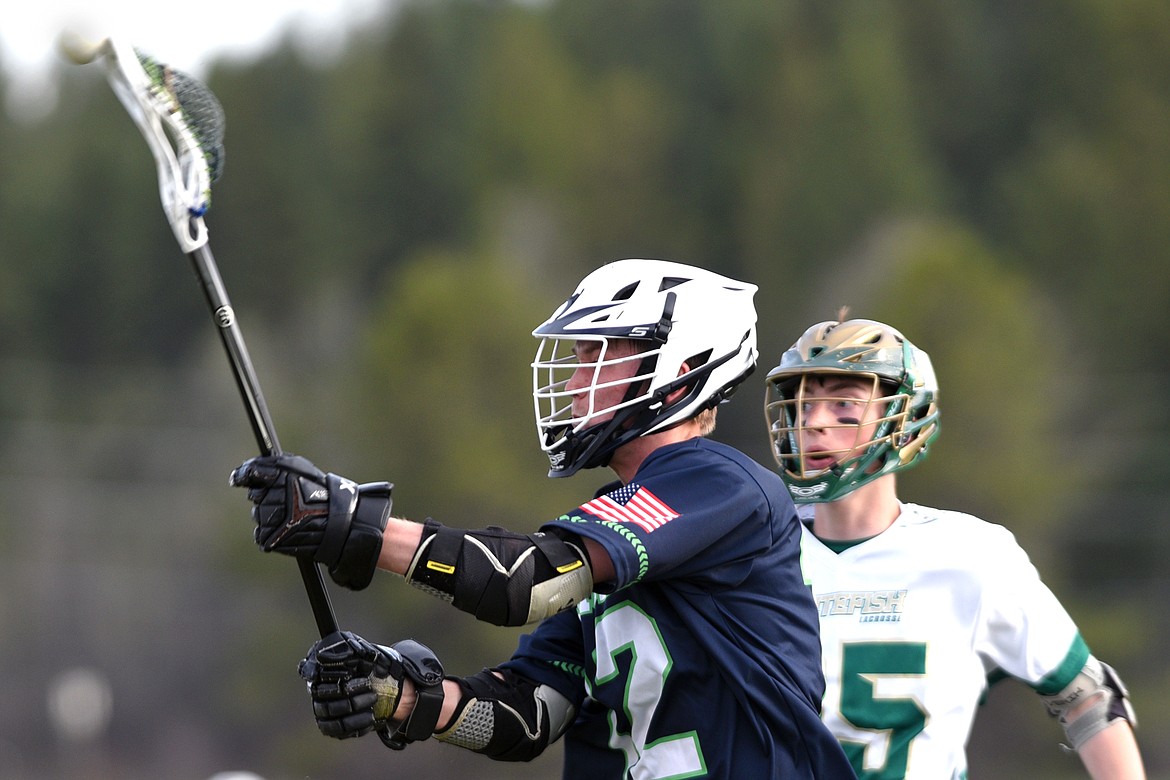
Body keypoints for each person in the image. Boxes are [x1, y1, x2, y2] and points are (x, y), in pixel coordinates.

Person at [230, 259, 856, 779]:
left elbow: (523, 583)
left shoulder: (721, 486)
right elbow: (530, 712)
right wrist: (397, 696)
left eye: (598, 357)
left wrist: (356, 526)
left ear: (682, 371)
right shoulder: (607, 544)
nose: (578, 378)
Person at [761, 315, 1146, 779]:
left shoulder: (970, 554)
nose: (814, 423)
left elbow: (1086, 697)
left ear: (903, 419)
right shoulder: (755, 553)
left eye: (844, 404)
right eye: (804, 406)